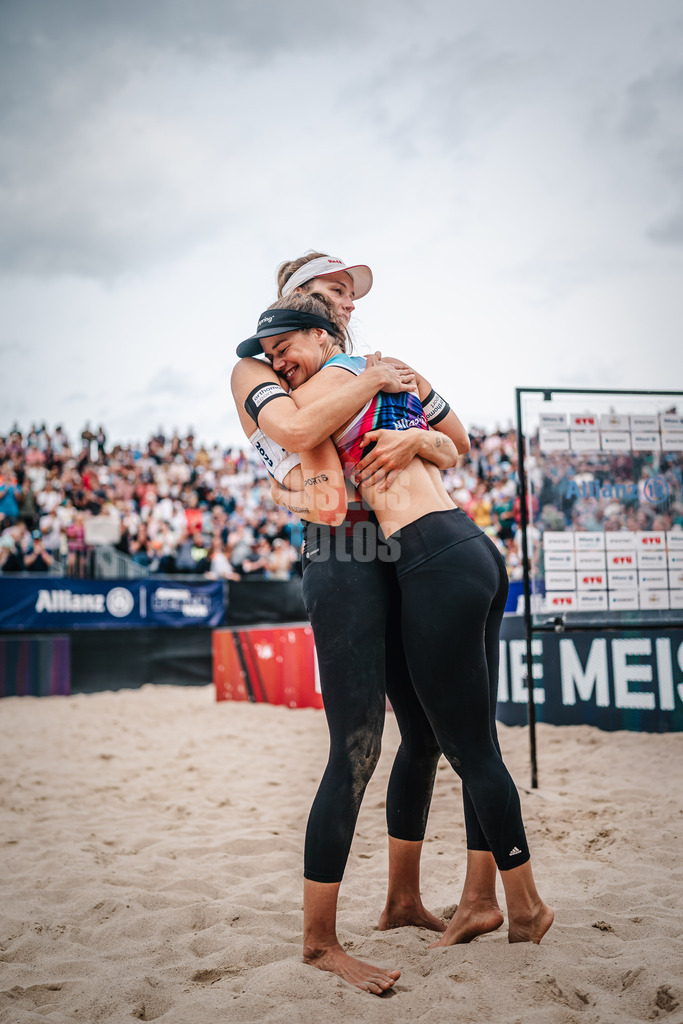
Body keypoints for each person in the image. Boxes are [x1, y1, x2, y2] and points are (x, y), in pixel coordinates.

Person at [240, 288, 554, 976]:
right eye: (330, 296)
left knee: (465, 747)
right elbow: (444, 443)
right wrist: (412, 423)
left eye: (282, 349)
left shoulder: (348, 376)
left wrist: (410, 429)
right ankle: (458, 901)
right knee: (451, 741)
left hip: (427, 555)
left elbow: (310, 437)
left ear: (321, 334)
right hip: (455, 546)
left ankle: (520, 903)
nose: (276, 363)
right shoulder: (376, 375)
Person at [232, 257, 472, 994]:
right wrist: (367, 382)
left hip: (397, 548)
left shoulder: (358, 364)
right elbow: (307, 444)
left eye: (348, 293)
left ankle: (402, 899)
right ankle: (318, 942)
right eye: (329, 290)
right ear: (293, 304)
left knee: (426, 734)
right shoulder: (257, 366)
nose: (345, 300)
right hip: (340, 551)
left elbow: (456, 444)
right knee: (357, 745)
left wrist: (416, 440)